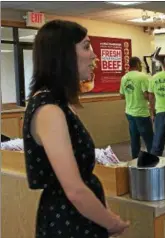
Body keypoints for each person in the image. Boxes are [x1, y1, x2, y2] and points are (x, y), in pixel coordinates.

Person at [23, 20, 130, 238]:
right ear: (63, 55)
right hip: (68, 223)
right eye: (86, 46)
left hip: (78, 219)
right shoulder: (49, 110)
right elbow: (74, 190)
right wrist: (112, 222)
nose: (93, 55)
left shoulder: (61, 104)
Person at [120, 56, 154, 158]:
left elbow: (122, 95)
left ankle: (135, 161)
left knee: (134, 139)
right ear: (138, 64)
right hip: (142, 113)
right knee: (149, 140)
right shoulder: (142, 77)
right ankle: (154, 161)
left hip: (129, 112)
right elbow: (146, 95)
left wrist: (132, 93)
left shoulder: (124, 77)